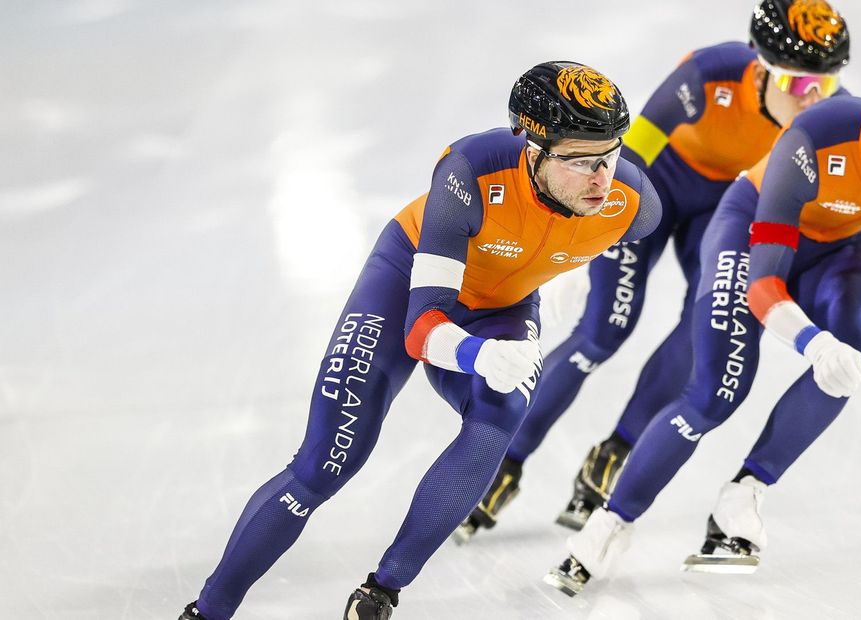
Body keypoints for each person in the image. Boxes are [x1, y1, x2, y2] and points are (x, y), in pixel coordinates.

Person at [176, 61, 661, 620]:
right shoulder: (469, 171)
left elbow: (607, 230)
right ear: (533, 149)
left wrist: (575, 268)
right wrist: (479, 353)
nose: (602, 177)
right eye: (581, 160)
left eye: (611, 154)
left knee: (500, 415)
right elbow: (421, 329)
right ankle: (207, 612)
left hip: (503, 306)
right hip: (410, 284)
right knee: (327, 462)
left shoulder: (635, 203)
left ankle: (381, 592)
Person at [544, 25, 861, 596]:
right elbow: (764, 282)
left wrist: (831, 340)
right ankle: (609, 525)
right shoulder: (814, 139)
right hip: (750, 232)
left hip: (836, 246)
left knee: (854, 340)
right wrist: (808, 341)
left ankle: (743, 497)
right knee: (717, 391)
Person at [455, 0, 850, 541]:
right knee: (602, 332)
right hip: (648, 194)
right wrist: (583, 245)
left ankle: (614, 451)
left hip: (723, 208)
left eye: (824, 87)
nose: (811, 100)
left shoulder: (832, 115)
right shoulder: (709, 73)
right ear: (760, 67)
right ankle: (506, 460)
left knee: (704, 323)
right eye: (797, 83)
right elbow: (626, 157)